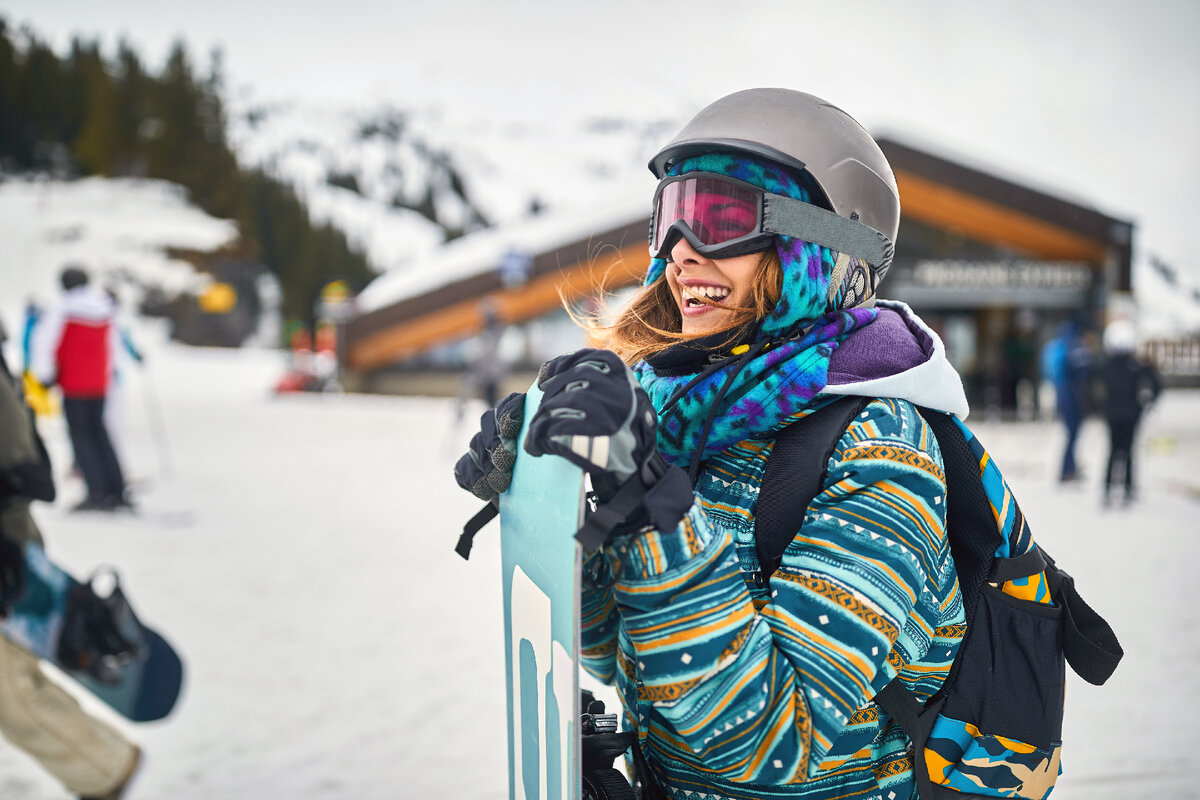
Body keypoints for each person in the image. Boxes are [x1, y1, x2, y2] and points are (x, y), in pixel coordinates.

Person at [456, 89, 971, 799]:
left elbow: (775, 744)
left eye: (721, 217)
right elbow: (620, 656)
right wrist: (556, 494)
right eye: (669, 217)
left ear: (823, 246)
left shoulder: (883, 444)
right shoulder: (693, 412)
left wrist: (646, 499)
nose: (680, 253)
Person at [0, 318, 142, 800]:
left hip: (6, 550)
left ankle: (105, 769)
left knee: (10, 691)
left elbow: (17, 466)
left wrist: (8, 550)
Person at [29, 266, 130, 511]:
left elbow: (45, 343)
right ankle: (116, 489)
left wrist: (45, 375)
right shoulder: (104, 307)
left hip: (74, 383)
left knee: (81, 437)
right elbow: (113, 344)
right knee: (100, 433)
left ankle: (95, 492)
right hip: (99, 382)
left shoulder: (63, 308)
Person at [1099, 319, 1162, 505]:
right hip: (1131, 414)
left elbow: (1089, 384)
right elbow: (1157, 385)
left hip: (1113, 413)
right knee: (1127, 450)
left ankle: (1110, 488)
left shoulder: (1108, 365)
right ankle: (1126, 488)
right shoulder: (1136, 365)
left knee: (1113, 450)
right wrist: (1146, 404)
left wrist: (1098, 405)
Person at [1041, 319, 1092, 482]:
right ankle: (1067, 470)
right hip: (1071, 396)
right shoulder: (1074, 347)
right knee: (1073, 434)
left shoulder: (1058, 345)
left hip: (1061, 392)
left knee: (1070, 434)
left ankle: (1069, 468)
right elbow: (1083, 372)